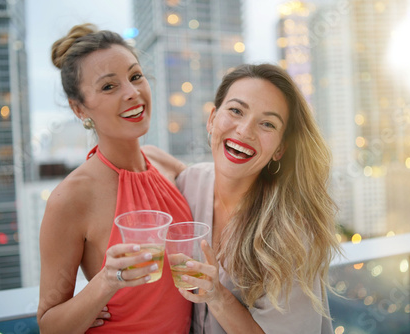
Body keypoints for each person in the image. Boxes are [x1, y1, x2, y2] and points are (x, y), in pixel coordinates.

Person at [145, 63, 341, 333]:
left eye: (267, 124)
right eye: (236, 111)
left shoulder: (291, 233)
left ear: (280, 149)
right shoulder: (189, 183)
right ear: (212, 119)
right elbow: (147, 156)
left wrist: (216, 295)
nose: (245, 130)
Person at [36, 23, 193, 334]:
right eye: (109, 87)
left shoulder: (164, 162)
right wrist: (107, 281)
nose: (133, 93)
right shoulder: (70, 198)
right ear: (79, 109)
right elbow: (49, 326)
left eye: (135, 76)